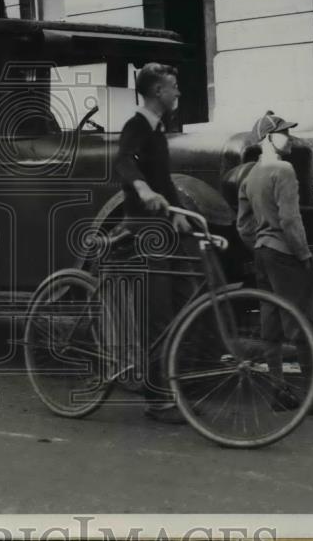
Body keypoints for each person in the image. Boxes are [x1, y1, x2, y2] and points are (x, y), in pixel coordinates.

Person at [236, 111, 313, 417]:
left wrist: (260, 243)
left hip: (262, 254)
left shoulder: (250, 175)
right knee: (303, 323)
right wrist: (303, 254)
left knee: (270, 325)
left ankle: (277, 391)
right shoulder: (283, 170)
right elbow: (289, 219)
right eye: (284, 132)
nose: (290, 138)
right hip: (286, 254)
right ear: (269, 139)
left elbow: (243, 224)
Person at [114, 63, 194, 424]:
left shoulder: (158, 130)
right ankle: (156, 400)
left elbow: (164, 178)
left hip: (162, 224)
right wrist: (142, 189)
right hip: (144, 227)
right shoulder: (136, 126)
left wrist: (176, 210)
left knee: (184, 299)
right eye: (174, 87)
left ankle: (177, 383)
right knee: (157, 315)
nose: (178, 92)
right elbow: (124, 162)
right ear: (158, 92)